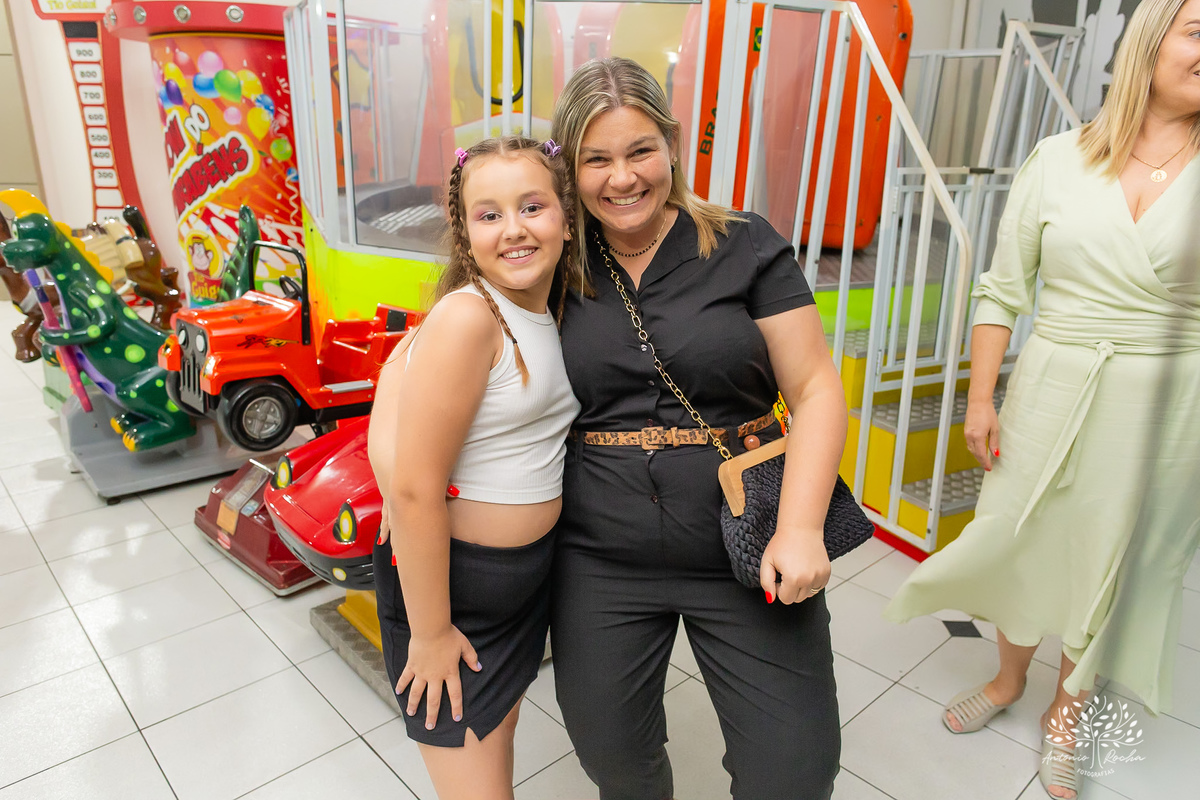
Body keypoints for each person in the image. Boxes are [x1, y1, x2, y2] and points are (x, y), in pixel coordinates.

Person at [884, 1, 1200, 797]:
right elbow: (1001, 289)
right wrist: (979, 399)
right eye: (1198, 30)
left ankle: (1068, 713)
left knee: (1117, 563)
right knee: (1019, 537)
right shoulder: (1059, 158)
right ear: (1148, 40)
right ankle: (1005, 680)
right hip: (1052, 383)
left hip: (1168, 402)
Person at [549, 57, 846, 800]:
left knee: (794, 771)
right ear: (571, 167)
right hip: (598, 556)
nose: (622, 178)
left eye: (640, 150)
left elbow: (814, 389)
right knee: (614, 760)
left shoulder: (744, 243)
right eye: (597, 159)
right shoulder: (552, 259)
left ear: (673, 143)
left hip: (745, 542)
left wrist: (803, 528)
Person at [368, 135, 581, 799]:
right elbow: (411, 487)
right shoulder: (469, 316)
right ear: (466, 233)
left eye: (532, 207)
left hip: (522, 586)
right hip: (454, 596)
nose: (513, 229)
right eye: (489, 214)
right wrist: (430, 634)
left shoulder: (543, 310)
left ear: (567, 218)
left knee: (497, 750)